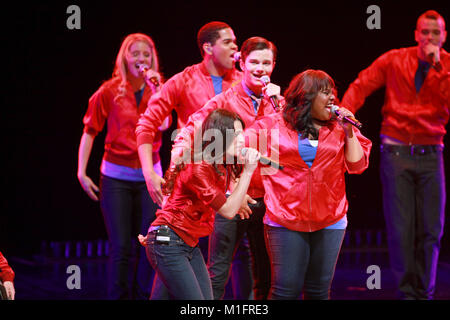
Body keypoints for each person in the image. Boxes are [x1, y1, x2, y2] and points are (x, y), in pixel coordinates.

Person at [341, 10, 449, 300]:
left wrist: (438, 69)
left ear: (443, 37)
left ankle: (424, 293)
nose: (429, 38)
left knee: (431, 230)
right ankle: (406, 294)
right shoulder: (395, 59)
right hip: (397, 151)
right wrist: (343, 115)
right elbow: (361, 84)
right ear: (416, 35)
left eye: (435, 33)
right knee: (401, 230)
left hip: (431, 153)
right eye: (424, 32)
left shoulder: (448, 67)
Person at [172, 36, 282, 299]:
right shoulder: (224, 100)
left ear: (274, 66)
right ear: (241, 63)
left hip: (268, 198)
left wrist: (281, 109)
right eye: (254, 62)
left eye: (266, 63)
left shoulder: (280, 104)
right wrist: (179, 152)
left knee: (266, 273)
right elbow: (193, 125)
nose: (260, 68)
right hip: (232, 195)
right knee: (218, 271)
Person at [246, 70, 372, 299]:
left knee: (318, 292)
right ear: (306, 97)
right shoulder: (272, 125)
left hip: (330, 220)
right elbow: (235, 149)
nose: (332, 97)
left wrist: (349, 132)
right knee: (285, 291)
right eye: (325, 92)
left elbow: (357, 166)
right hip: (285, 219)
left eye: (333, 91)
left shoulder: (338, 128)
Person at [77, 33, 170, 299]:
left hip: (150, 176)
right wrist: (81, 172)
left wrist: (157, 92)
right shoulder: (109, 90)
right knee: (121, 248)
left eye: (146, 54)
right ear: (125, 58)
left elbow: (164, 125)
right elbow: (90, 130)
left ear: (152, 59)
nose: (141, 59)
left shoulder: (159, 88)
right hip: (116, 176)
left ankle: (144, 296)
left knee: (148, 243)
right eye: (135, 53)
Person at [140, 109, 260, 300]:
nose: (241, 140)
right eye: (235, 135)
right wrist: (248, 172)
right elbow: (228, 210)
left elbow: (224, 198)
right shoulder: (199, 167)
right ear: (220, 136)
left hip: (184, 242)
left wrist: (240, 192)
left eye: (241, 135)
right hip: (169, 241)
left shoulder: (220, 164)